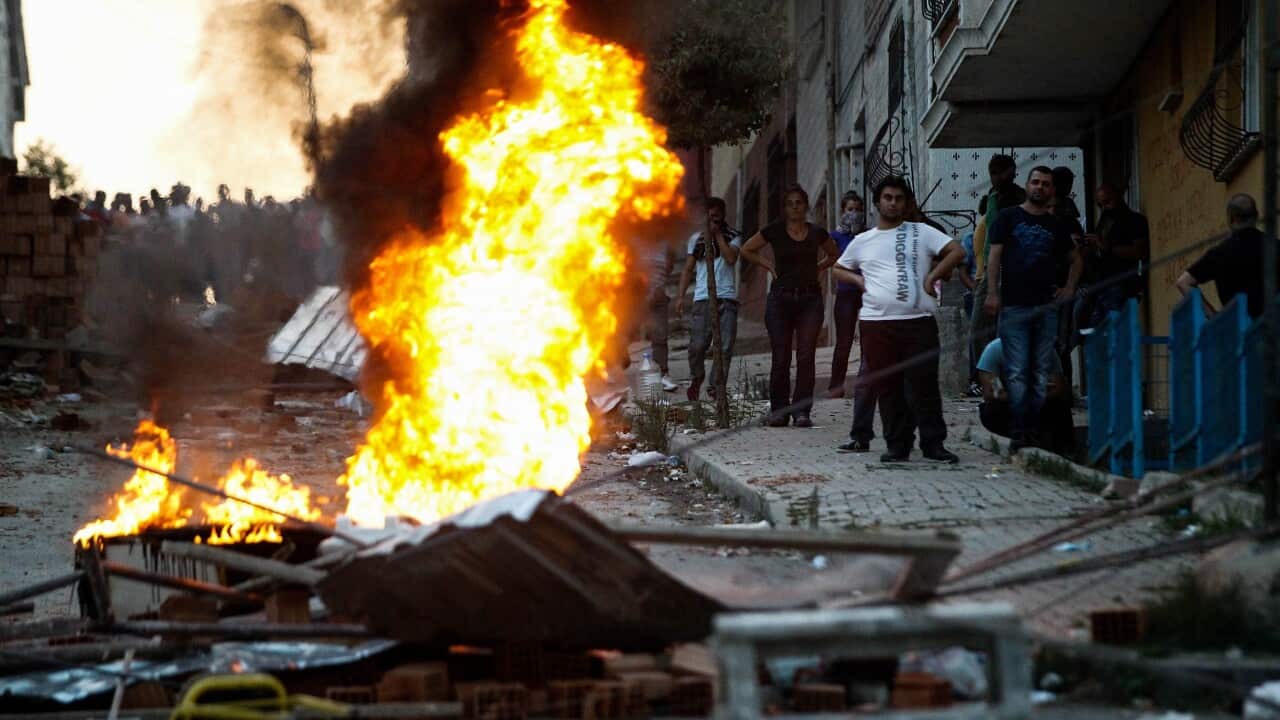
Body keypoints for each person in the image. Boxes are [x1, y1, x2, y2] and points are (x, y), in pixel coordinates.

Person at [832, 176, 966, 462]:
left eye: (899, 199)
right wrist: (858, 280)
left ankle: (934, 444)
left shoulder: (921, 232)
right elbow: (837, 268)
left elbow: (957, 250)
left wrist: (933, 275)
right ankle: (897, 445)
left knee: (924, 385)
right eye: (888, 198)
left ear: (906, 204)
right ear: (878, 202)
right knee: (888, 387)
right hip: (876, 324)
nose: (893, 203)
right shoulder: (863, 240)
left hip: (918, 321)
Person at [984, 166, 1084, 451]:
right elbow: (994, 257)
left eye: (1046, 184)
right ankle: (1020, 431)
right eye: (1035, 182)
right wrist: (992, 292)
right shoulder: (1008, 217)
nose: (1040, 187)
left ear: (1052, 190)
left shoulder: (1057, 225)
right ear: (1027, 185)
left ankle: (1035, 430)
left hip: (1046, 307)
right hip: (1014, 305)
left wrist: (1069, 289)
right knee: (1017, 370)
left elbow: (1076, 260)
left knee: (1040, 371)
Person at [740, 185, 840, 428]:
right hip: (780, 300)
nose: (795, 207)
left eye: (799, 202)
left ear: (806, 206)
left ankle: (801, 411)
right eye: (790, 203)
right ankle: (779, 411)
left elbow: (834, 254)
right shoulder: (774, 231)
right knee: (781, 356)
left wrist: (819, 267)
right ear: (784, 208)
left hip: (809, 300)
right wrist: (768, 266)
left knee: (806, 356)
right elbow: (747, 249)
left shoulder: (817, 232)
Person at [969, 154, 1027, 395]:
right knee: (982, 329)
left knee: (991, 327)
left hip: (1007, 269)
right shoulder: (993, 197)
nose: (1004, 177)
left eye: (1008, 173)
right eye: (999, 173)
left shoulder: (1016, 198)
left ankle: (999, 379)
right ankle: (989, 381)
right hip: (989, 271)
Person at [676, 197, 743, 402]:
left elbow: (731, 258)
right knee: (697, 345)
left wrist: (717, 236)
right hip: (703, 298)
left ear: (723, 216)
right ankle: (696, 378)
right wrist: (680, 296)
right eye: (709, 216)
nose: (712, 220)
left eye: (716, 216)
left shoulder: (733, 236)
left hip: (727, 297)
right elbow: (688, 269)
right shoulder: (696, 239)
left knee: (724, 346)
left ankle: (716, 386)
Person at [1176, 193, 1276, 318]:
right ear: (1256, 216)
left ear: (1230, 219)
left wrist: (1213, 316)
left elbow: (1183, 282)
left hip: (1237, 331)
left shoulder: (1219, 254)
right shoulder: (1274, 246)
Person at [975, 338, 1075, 455]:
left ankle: (1065, 449)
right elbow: (991, 393)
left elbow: (1058, 389)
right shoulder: (994, 350)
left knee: (1060, 406)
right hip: (1008, 407)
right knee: (992, 410)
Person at [1081, 183, 1149, 328]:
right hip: (1101, 285)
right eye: (1100, 205)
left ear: (1119, 197)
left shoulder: (1135, 220)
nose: (1105, 208)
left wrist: (1106, 247)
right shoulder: (1105, 222)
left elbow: (1139, 252)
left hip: (1120, 284)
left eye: (1108, 202)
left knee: (1111, 332)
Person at [644, 235, 680, 391]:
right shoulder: (633, 239)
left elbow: (669, 265)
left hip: (658, 296)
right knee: (619, 338)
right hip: (633, 298)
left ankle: (662, 374)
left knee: (660, 336)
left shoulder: (666, 241)